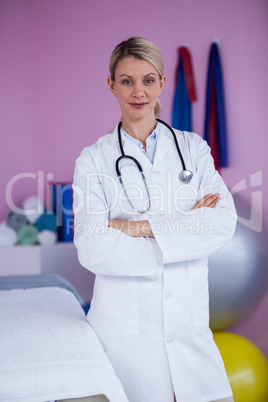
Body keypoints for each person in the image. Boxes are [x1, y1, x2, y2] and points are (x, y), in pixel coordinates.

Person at [73, 37, 237, 402]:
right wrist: (183, 231)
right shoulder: (94, 160)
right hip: (125, 341)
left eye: (148, 80)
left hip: (190, 330)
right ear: (111, 85)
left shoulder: (193, 149)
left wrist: (135, 227)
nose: (138, 92)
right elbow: (91, 247)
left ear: (162, 83)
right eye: (127, 81)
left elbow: (222, 223)